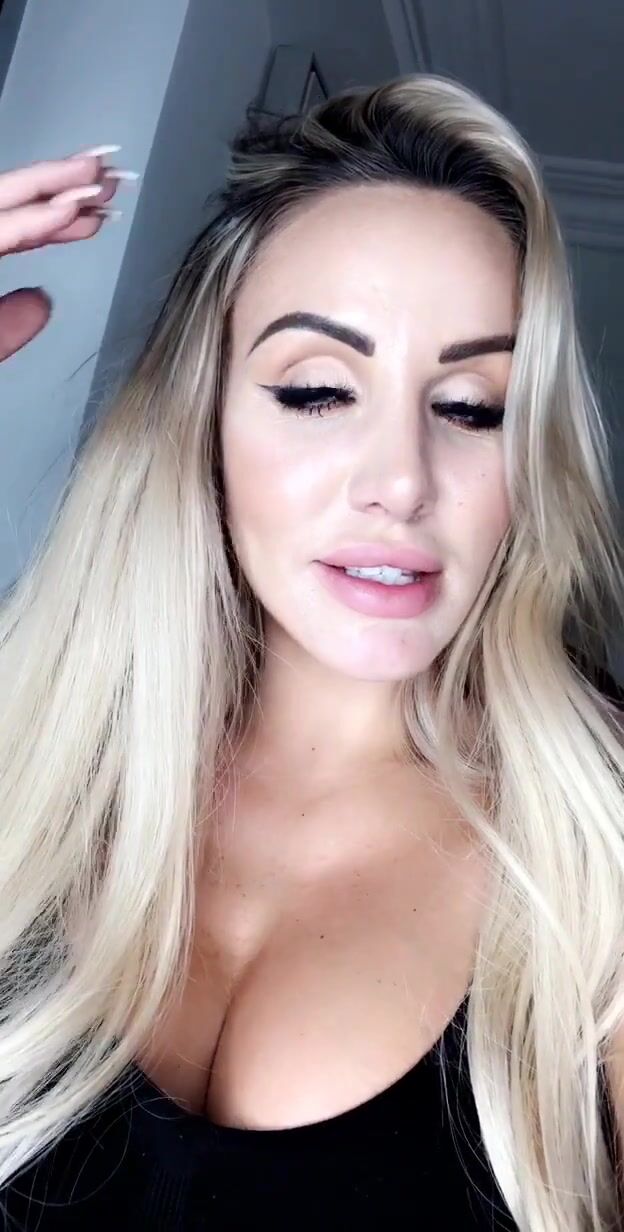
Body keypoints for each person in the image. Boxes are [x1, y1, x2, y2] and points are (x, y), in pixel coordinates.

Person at [0, 71, 623, 1232]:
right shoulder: (22, 756)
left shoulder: (600, 857)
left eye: (473, 406)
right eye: (321, 390)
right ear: (204, 417)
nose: (400, 481)